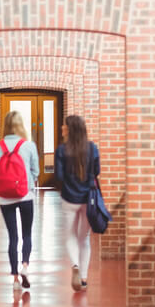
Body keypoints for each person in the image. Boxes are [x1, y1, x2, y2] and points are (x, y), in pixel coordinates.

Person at [0, 111, 39, 290]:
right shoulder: (28, 145)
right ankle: (25, 266)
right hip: (25, 195)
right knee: (27, 234)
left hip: (5, 198)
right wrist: (29, 184)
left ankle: (14, 279)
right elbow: (36, 171)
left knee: (12, 237)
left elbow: (0, 168)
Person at [55, 115, 99, 292]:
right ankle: (83, 277)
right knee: (84, 238)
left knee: (71, 236)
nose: (61, 127)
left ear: (71, 129)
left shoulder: (62, 150)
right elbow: (96, 171)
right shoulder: (92, 148)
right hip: (88, 199)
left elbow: (58, 176)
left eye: (64, 125)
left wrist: (68, 183)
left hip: (69, 198)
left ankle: (75, 266)